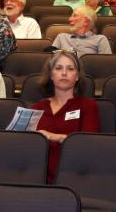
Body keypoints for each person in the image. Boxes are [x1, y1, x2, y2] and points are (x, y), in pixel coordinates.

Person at [30, 51, 99, 183]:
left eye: (70, 69)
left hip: (74, 175)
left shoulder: (88, 106)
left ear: (77, 76)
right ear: (51, 75)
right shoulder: (37, 108)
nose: (64, 73)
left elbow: (89, 145)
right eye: (58, 68)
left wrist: (54, 137)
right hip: (37, 176)